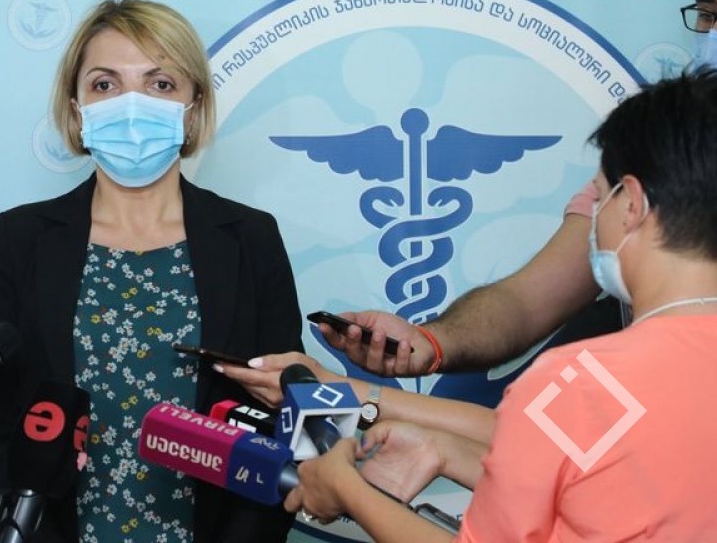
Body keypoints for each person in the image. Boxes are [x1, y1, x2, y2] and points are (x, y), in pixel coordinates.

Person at [282, 69, 717, 541]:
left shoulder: (581, 384)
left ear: (631, 203)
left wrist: (347, 489)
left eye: (600, 198)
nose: (594, 219)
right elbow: (606, 479)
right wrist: (442, 448)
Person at [284, 0, 717, 380]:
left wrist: (362, 398)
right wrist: (430, 341)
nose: (712, 33)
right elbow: (526, 303)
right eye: (707, 14)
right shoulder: (648, 158)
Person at [0, 0, 303, 543]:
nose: (131, 105)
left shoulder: (249, 238)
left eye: (160, 84)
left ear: (193, 108)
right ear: (77, 109)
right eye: (105, 84)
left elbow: (282, 419)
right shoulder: (20, 238)